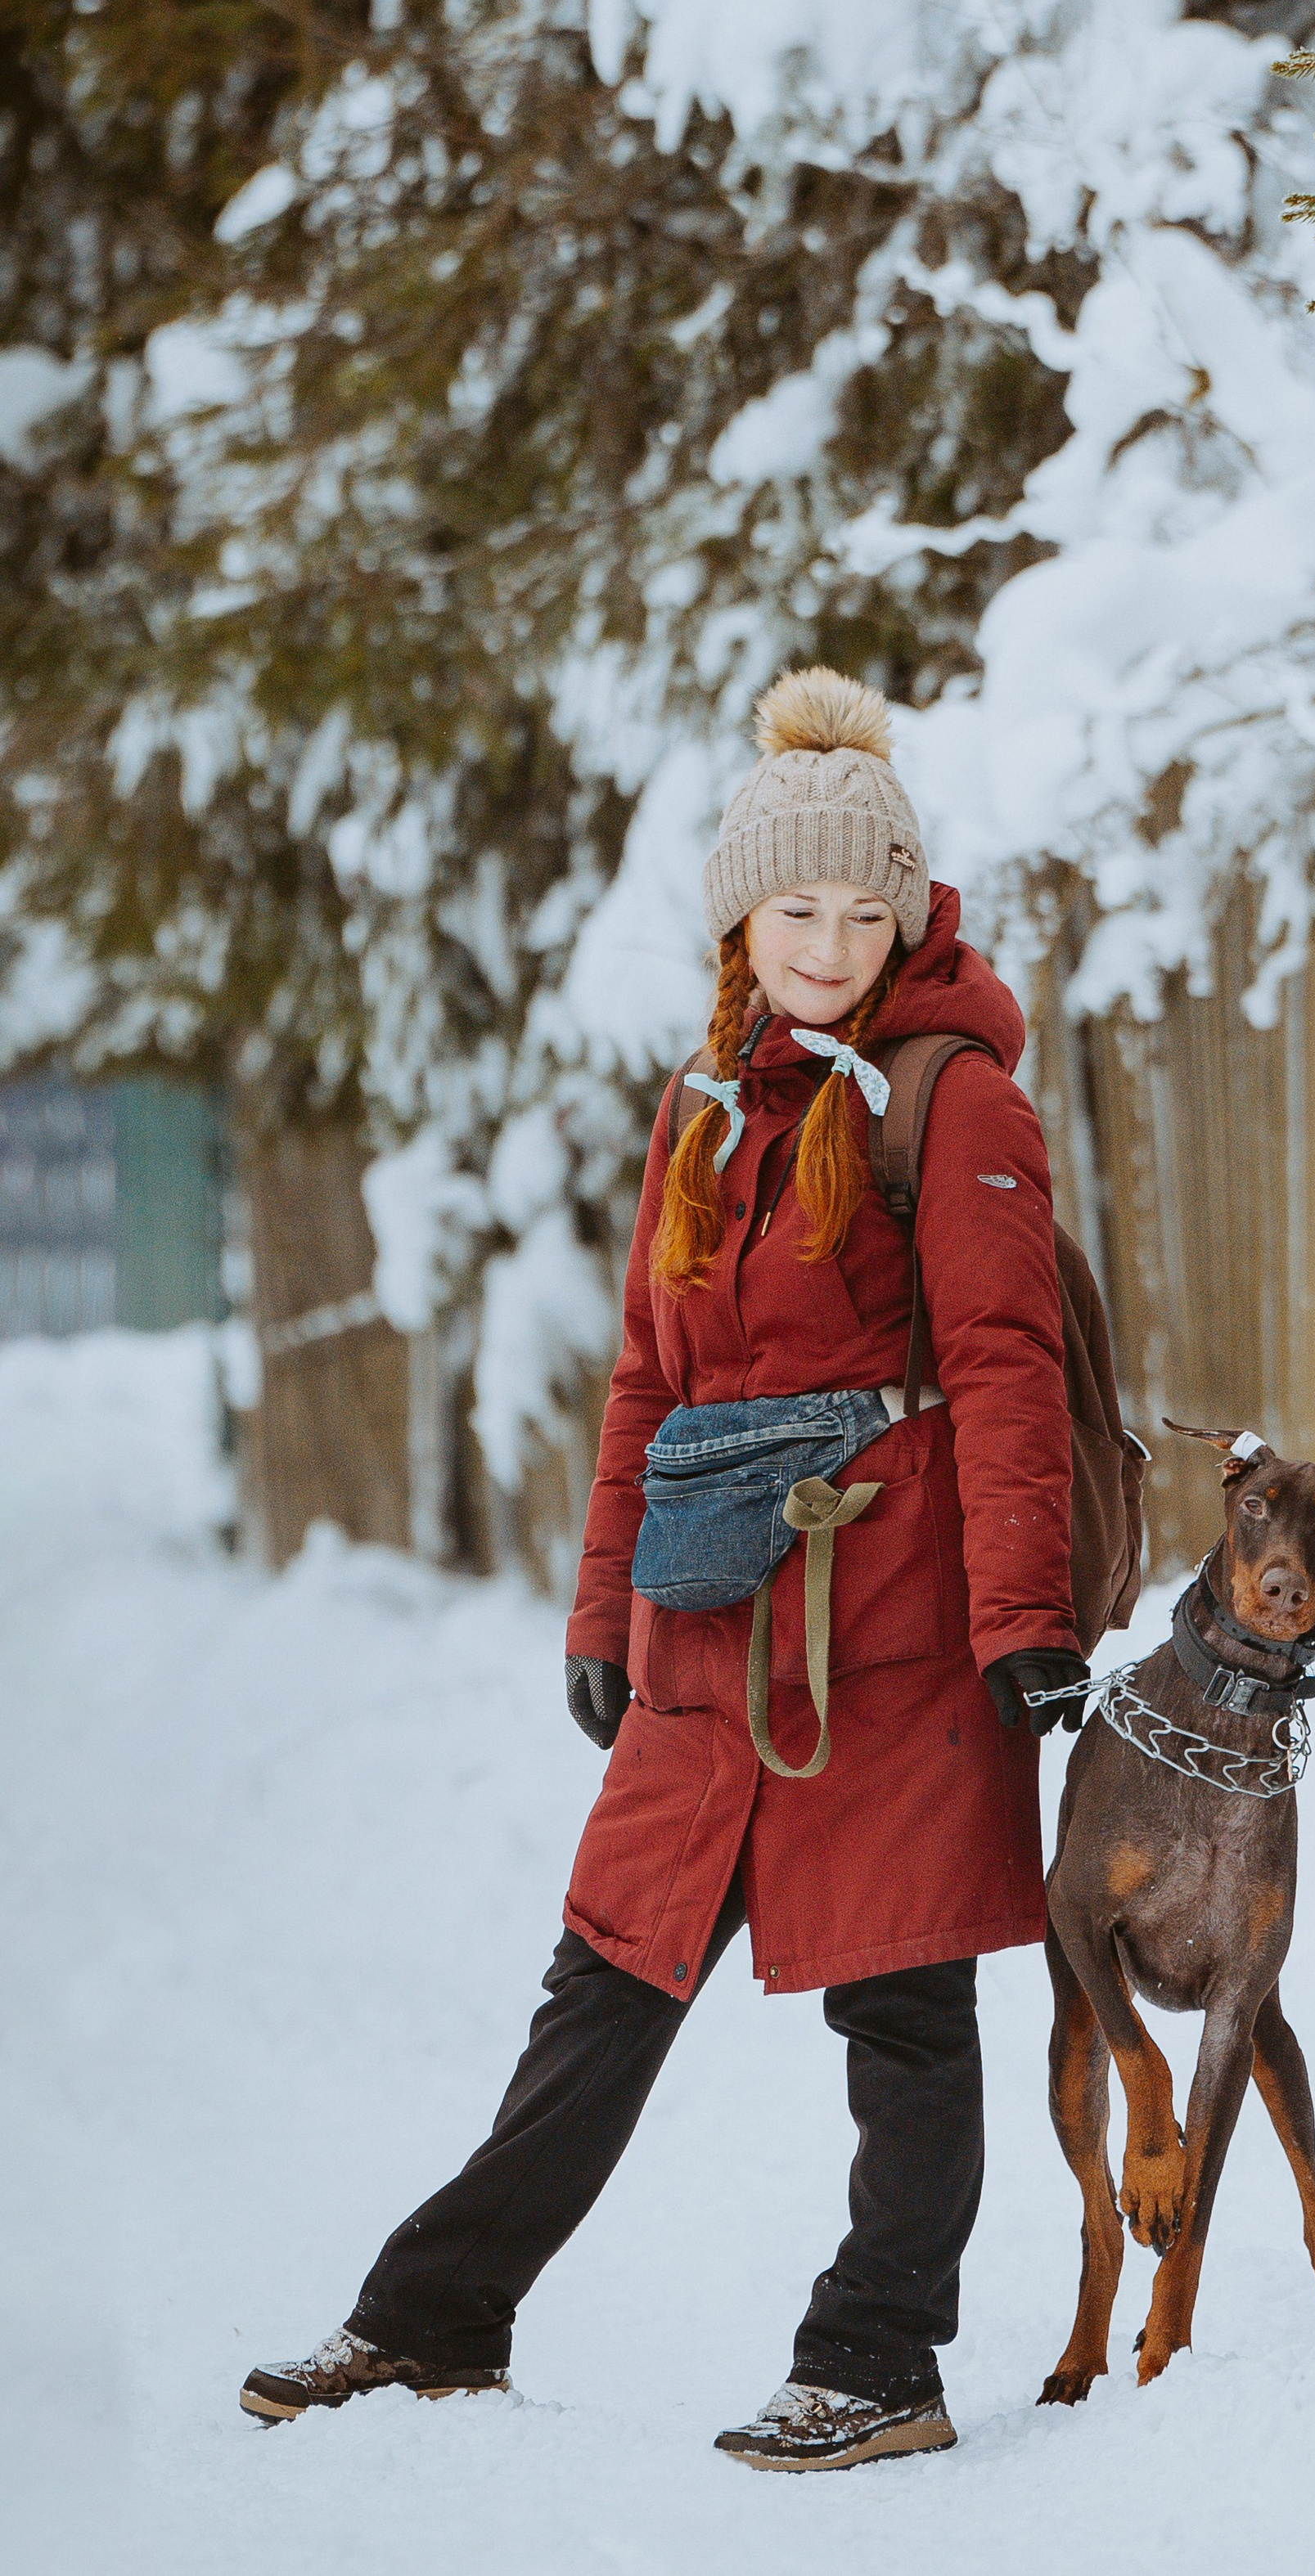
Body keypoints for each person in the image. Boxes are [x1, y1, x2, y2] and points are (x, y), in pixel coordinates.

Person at [240, 668, 1084, 2470]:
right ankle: (433, 2314)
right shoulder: (705, 1102)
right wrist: (603, 1605)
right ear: (740, 916)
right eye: (799, 907)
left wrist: (1025, 1618)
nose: (833, 941)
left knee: (904, 1995)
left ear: (909, 908)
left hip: (896, 1620)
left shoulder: (955, 1101)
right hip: (713, 1616)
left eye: (869, 908)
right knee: (606, 1974)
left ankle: (879, 2358)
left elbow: (1009, 1369)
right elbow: (650, 1371)